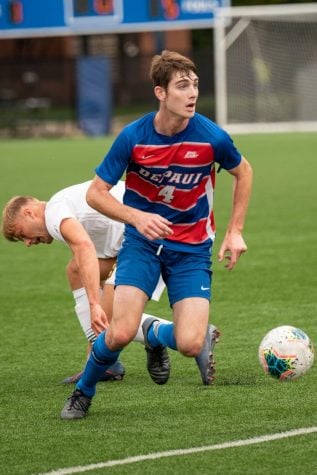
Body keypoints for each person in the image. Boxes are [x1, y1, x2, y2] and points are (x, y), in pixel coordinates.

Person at [60, 49, 252, 420]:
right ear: (160, 93)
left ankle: (157, 343)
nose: (192, 93)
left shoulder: (212, 137)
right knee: (118, 333)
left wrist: (235, 231)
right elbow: (95, 193)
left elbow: (243, 171)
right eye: (182, 86)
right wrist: (137, 217)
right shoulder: (133, 137)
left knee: (191, 342)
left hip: (192, 250)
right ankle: (84, 392)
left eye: (195, 84)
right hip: (142, 246)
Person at [1, 180, 216, 384]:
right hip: (138, 238)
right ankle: (107, 362)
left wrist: (95, 304)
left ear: (29, 212)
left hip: (150, 243)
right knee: (75, 270)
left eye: (22, 235)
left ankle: (164, 334)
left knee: (112, 322)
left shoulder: (53, 214)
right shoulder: (59, 206)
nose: (28, 243)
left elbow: (84, 247)